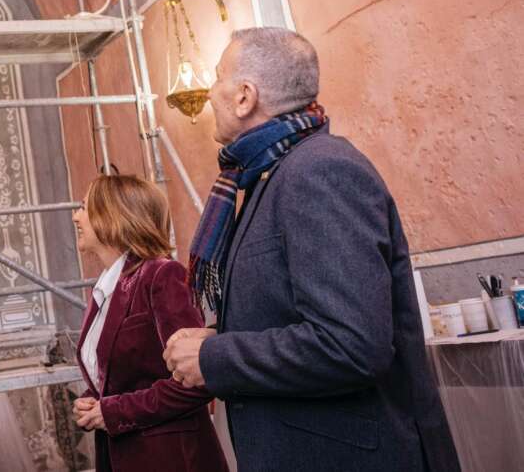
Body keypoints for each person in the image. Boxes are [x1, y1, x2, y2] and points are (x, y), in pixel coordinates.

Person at [163, 28, 460, 472]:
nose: (209, 94)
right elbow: (290, 315)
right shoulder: (270, 176)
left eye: (218, 78)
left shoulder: (319, 172)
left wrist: (215, 357)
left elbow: (351, 345)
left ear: (245, 96)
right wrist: (221, 337)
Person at [72, 174, 228, 472]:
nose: (75, 215)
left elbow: (195, 383)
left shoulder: (161, 275)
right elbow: (121, 377)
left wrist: (114, 411)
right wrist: (92, 401)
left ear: (112, 215)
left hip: (172, 458)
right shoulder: (106, 288)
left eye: (84, 207)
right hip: (122, 456)